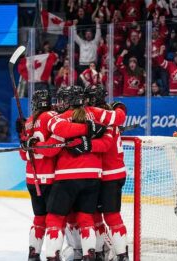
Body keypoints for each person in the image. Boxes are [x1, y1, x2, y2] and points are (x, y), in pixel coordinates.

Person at [17, 89, 107, 261]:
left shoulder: (28, 122)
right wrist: (88, 130)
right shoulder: (52, 116)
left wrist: (25, 141)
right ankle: (81, 252)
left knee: (40, 218)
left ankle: (34, 254)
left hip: (33, 178)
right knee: (68, 218)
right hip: (51, 177)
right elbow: (52, 148)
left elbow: (24, 155)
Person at [85, 86, 130, 261]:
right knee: (98, 215)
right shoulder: (109, 112)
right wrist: (120, 107)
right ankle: (111, 253)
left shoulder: (96, 113)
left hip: (107, 175)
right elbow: (119, 115)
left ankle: (117, 254)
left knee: (108, 216)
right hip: (112, 173)